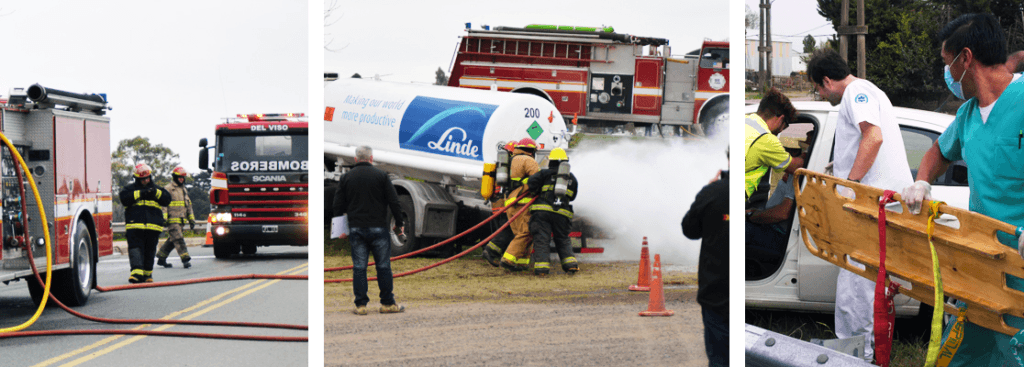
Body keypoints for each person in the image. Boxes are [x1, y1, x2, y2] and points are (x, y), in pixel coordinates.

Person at [901, 13, 1024, 366]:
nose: (947, 74)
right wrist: (922, 180)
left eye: (947, 63)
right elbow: (938, 151)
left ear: (965, 58)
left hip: (1021, 268)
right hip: (982, 260)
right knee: (963, 353)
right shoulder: (968, 114)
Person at [806, 48, 913, 362]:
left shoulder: (857, 92)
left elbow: (873, 137)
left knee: (858, 281)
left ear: (827, 80)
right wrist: (838, 169)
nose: (820, 94)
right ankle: (858, 350)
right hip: (876, 204)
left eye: (818, 88)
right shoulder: (869, 91)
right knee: (858, 279)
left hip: (870, 205)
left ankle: (859, 355)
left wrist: (848, 184)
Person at [333, 146, 406, 316]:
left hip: (356, 228)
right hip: (379, 227)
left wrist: (339, 228)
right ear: (371, 158)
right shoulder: (381, 176)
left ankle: (361, 305)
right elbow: (394, 201)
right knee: (383, 266)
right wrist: (399, 223)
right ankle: (387, 303)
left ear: (356, 159)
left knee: (359, 267)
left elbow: (337, 204)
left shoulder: (346, 177)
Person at [682, 147, 729, 367]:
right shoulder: (752, 191)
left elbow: (690, 230)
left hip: (716, 289)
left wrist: (709, 191)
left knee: (719, 357)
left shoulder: (713, 192)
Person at [744, 87, 802, 208]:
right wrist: (806, 154)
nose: (781, 131)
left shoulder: (744, 121)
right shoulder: (766, 139)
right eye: (785, 126)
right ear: (781, 119)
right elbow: (794, 167)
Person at [525, 148, 579, 276]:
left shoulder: (544, 173)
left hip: (542, 212)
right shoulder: (572, 178)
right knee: (563, 239)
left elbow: (530, 184)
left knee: (542, 239)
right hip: (562, 214)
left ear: (551, 161)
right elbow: (572, 197)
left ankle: (542, 270)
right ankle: (571, 265)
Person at [118, 163, 171, 283]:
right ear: (137, 179)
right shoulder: (129, 189)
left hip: (153, 227)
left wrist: (155, 193)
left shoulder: (156, 189)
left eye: (147, 178)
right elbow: (124, 198)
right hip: (135, 226)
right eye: (143, 179)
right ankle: (136, 273)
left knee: (150, 250)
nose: (146, 181)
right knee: (135, 248)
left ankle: (147, 274)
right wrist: (141, 193)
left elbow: (167, 199)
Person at [499, 137, 540, 272]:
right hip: (522, 202)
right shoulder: (529, 160)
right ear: (531, 150)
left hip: (510, 201)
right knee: (527, 232)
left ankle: (522, 263)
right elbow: (538, 180)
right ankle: (508, 260)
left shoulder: (511, 160)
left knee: (520, 234)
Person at [481, 141, 517, 267]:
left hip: (496, 205)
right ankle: (490, 252)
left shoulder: (497, 167)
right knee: (507, 231)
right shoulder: (510, 167)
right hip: (505, 206)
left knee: (501, 231)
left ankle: (500, 256)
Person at [156, 166, 196, 269]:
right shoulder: (168, 188)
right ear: (175, 177)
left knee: (173, 240)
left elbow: (188, 205)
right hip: (172, 220)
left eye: (183, 178)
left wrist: (191, 219)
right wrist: (164, 218)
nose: (181, 179)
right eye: (179, 177)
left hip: (181, 220)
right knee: (178, 239)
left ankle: (161, 258)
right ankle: (185, 259)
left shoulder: (183, 189)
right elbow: (163, 204)